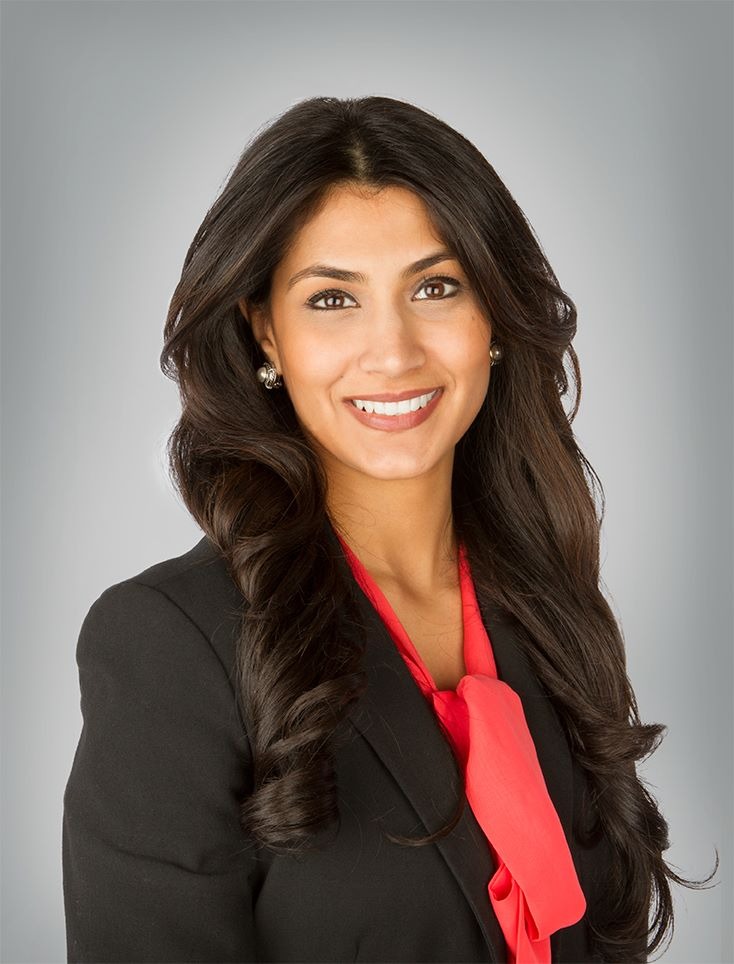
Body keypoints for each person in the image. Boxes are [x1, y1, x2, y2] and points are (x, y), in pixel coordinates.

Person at [61, 95, 717, 964]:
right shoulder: (170, 644)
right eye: (332, 298)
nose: (395, 351)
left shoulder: (548, 605)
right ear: (266, 332)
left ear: (494, 318)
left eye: (436, 288)